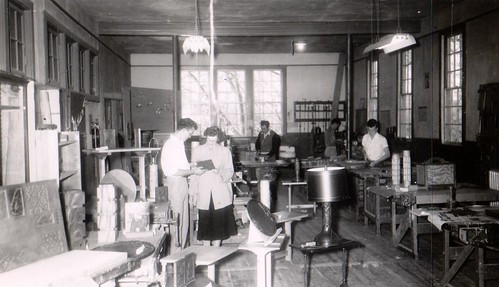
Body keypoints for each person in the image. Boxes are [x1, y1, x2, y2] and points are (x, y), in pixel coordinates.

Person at [160, 118, 204, 252]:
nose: (190, 136)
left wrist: (193, 165)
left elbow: (180, 166)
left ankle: (182, 252)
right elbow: (173, 171)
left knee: (184, 221)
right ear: (184, 130)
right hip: (175, 184)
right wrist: (194, 171)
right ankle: (174, 253)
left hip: (181, 183)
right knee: (177, 221)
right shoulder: (171, 145)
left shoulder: (178, 143)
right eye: (189, 133)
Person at [190, 126, 237, 246]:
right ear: (205, 137)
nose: (211, 143)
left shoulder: (225, 151)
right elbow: (193, 172)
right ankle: (206, 249)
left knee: (219, 222)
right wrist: (193, 192)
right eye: (209, 140)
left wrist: (220, 172)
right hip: (204, 190)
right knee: (205, 221)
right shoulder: (198, 150)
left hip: (219, 190)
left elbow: (230, 171)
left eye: (214, 141)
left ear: (218, 139)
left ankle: (216, 249)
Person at [255, 120, 281, 210]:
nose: (263, 130)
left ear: (268, 127)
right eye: (262, 129)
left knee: (271, 176)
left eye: (265, 129)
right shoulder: (260, 134)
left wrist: (268, 156)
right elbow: (257, 143)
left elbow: (274, 148)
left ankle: (273, 196)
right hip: (262, 156)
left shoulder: (274, 135)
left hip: (271, 157)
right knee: (261, 175)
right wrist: (258, 151)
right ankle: (261, 195)